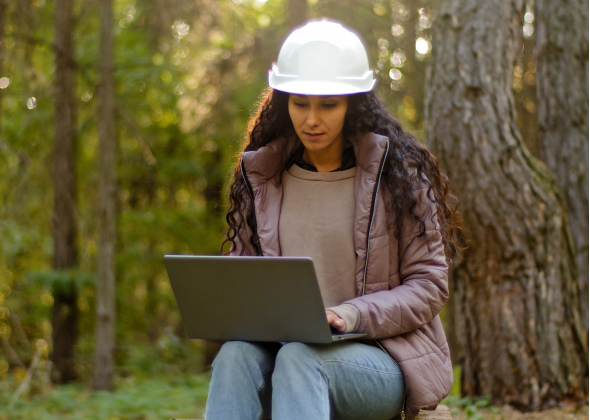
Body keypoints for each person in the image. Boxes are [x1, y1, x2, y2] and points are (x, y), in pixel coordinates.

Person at [205, 21, 460, 420]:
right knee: (235, 355)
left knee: (300, 357)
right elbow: (244, 280)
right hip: (286, 355)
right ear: (283, 103)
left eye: (328, 104)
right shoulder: (263, 179)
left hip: (381, 361)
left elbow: (428, 285)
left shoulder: (398, 176)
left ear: (353, 104)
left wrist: (348, 315)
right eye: (300, 103)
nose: (311, 119)